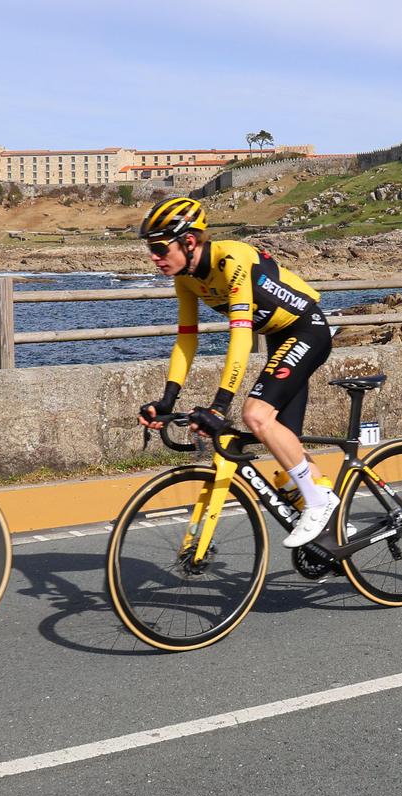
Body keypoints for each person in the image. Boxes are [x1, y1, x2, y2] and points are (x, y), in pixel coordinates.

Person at [134, 197, 338, 550]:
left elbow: (240, 335)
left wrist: (219, 406)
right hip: (278, 337)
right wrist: (168, 399)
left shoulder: (233, 258)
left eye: (159, 247)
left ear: (190, 241)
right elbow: (186, 341)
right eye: (150, 248)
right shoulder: (185, 279)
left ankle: (320, 503)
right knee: (284, 446)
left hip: (306, 329)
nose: (153, 256)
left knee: (255, 414)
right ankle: (333, 541)